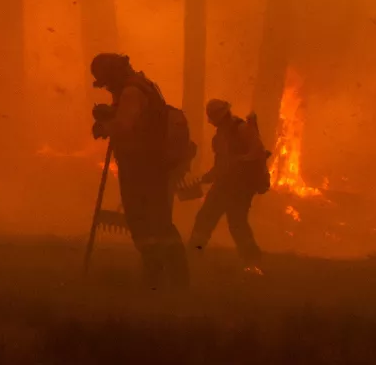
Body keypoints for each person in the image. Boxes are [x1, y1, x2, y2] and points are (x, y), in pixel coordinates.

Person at [91, 52, 189, 289]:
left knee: (143, 221)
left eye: (106, 82)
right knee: (157, 220)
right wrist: (111, 112)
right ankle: (173, 277)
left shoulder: (131, 92)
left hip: (141, 165)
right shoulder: (142, 86)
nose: (107, 88)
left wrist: (106, 126)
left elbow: (126, 126)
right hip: (151, 164)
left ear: (113, 74)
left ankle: (157, 275)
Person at [187, 99, 269, 272]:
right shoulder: (218, 138)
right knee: (206, 218)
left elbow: (258, 152)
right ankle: (194, 255)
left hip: (241, 185)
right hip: (224, 184)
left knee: (236, 223)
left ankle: (252, 261)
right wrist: (205, 178)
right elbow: (220, 165)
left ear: (222, 117)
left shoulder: (243, 130)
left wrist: (239, 162)